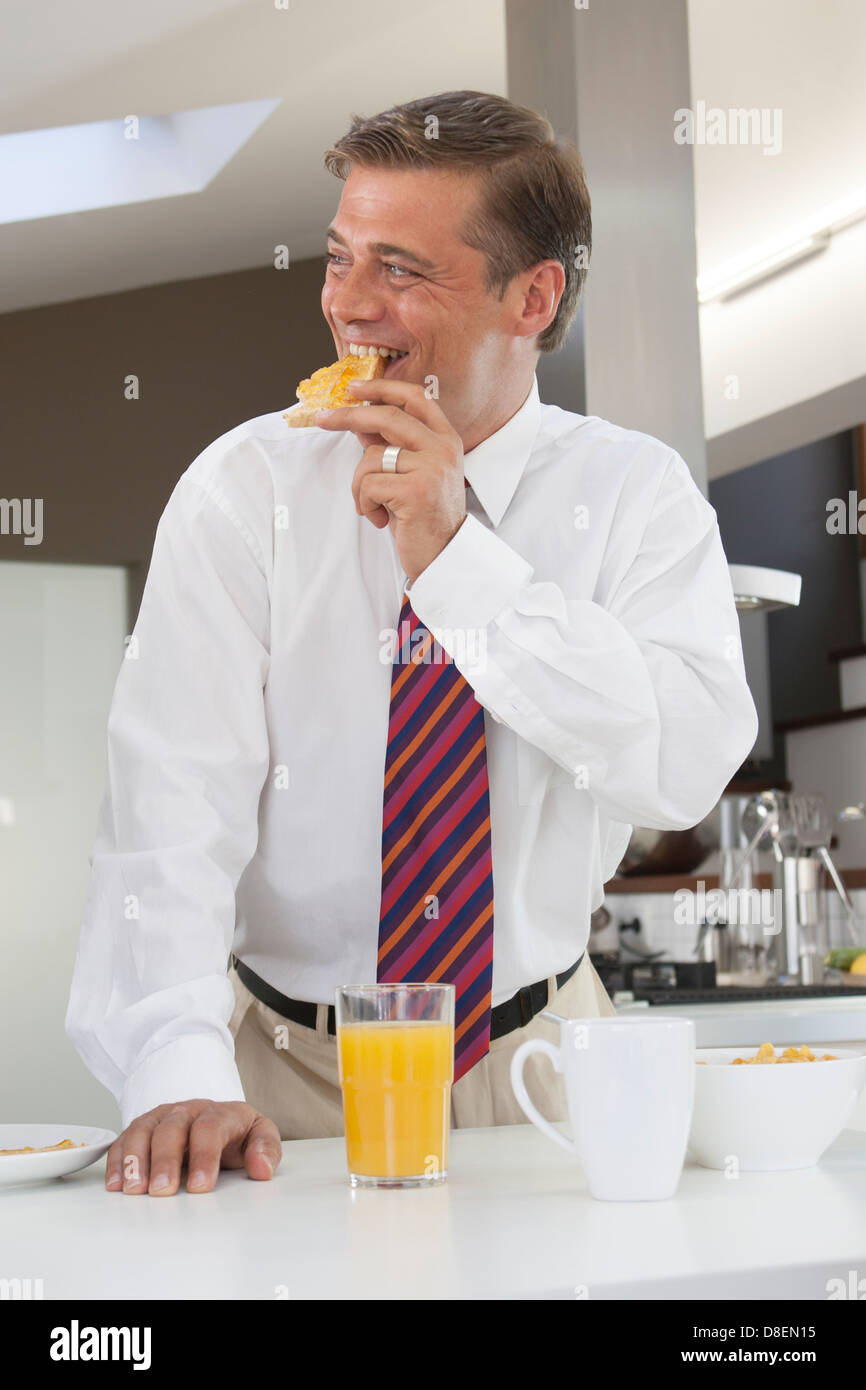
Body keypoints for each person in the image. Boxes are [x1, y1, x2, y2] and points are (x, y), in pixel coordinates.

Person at [66, 90, 758, 1196]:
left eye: (400, 270)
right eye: (338, 260)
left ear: (531, 295)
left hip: (542, 1061)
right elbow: (168, 816)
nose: (349, 305)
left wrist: (454, 560)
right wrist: (173, 1064)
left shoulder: (634, 494)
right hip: (284, 1077)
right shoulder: (241, 492)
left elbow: (677, 769)